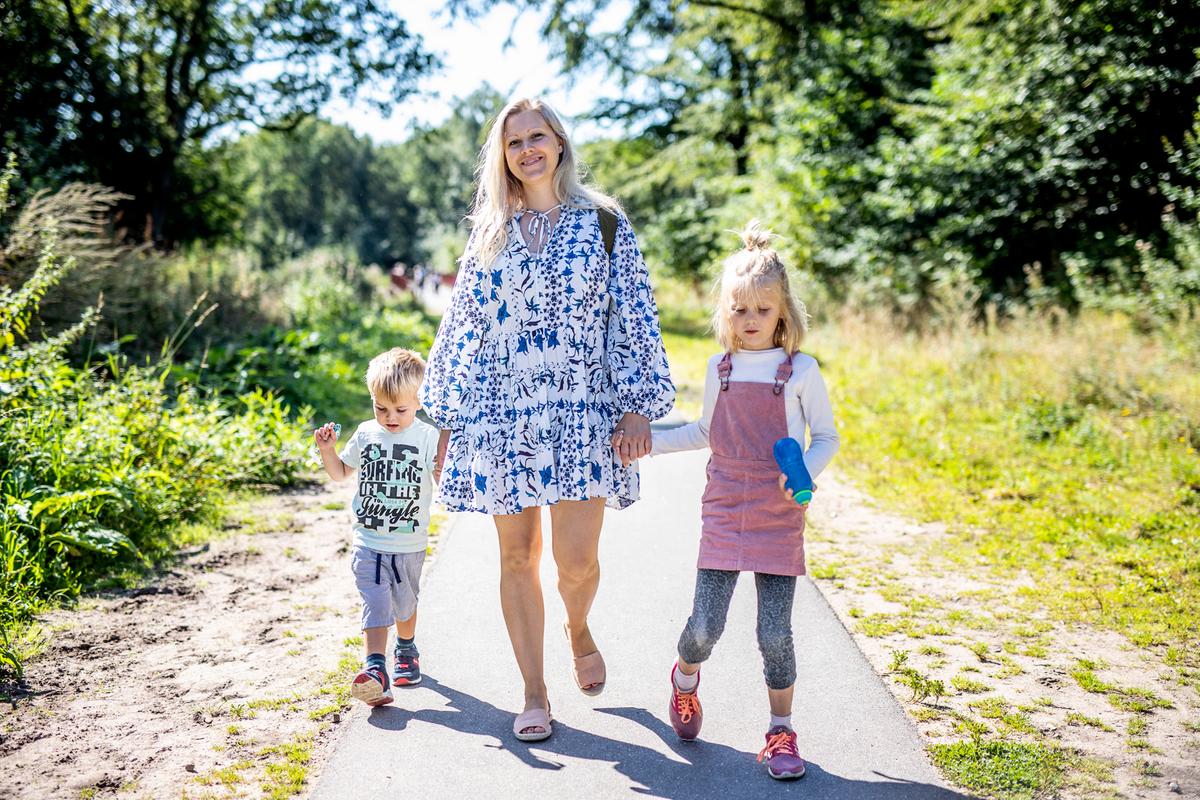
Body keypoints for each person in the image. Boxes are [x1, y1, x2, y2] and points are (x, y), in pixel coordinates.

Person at [420, 98, 674, 742]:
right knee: (516, 556)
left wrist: (637, 405)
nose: (527, 149)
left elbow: (634, 315)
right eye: (514, 142)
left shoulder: (604, 223)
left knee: (576, 564)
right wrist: (443, 420)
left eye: (537, 136)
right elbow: (462, 329)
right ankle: (534, 692)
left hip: (582, 412)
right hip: (502, 415)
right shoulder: (489, 233)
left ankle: (577, 626)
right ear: (502, 156)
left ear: (559, 142)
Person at [648, 221, 839, 780]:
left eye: (762, 309)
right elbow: (705, 432)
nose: (750, 320)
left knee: (774, 634)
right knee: (705, 627)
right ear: (725, 312)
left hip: (779, 513)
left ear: (782, 311)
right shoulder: (719, 368)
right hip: (726, 506)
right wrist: (646, 444)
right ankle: (685, 678)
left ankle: (780, 732)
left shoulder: (801, 371)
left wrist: (803, 472)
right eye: (739, 310)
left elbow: (826, 438)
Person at [314, 348, 442, 707]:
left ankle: (406, 648)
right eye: (381, 408)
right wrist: (327, 450)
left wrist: (444, 471)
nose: (390, 417)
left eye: (400, 409)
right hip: (367, 540)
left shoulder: (427, 437)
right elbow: (341, 473)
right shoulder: (366, 433)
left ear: (419, 402)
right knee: (375, 599)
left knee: (405, 604)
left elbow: (441, 477)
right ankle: (375, 670)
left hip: (408, 542)